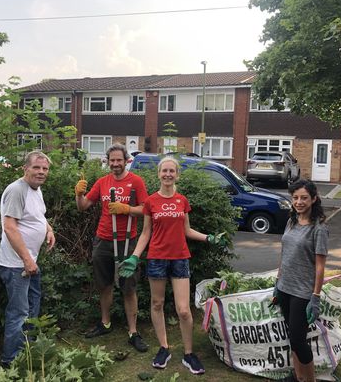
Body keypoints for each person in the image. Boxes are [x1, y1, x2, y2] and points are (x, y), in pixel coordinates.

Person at [119, 156, 227, 375]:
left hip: (180, 258)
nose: (168, 174)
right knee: (157, 304)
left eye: (172, 171)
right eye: (164, 171)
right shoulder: (150, 201)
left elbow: (187, 231)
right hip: (156, 258)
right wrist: (135, 256)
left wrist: (209, 238)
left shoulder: (182, 201)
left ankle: (189, 353)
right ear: (159, 174)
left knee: (184, 310)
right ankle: (164, 348)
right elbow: (146, 232)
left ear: (177, 174)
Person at [75, 143, 149, 352]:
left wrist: (127, 209)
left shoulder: (136, 182)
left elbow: (146, 209)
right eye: (112, 160)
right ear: (108, 161)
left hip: (127, 241)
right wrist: (79, 194)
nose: (115, 164)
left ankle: (133, 332)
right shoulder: (102, 182)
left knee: (129, 287)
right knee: (104, 285)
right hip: (103, 241)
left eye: (119, 160)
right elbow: (83, 207)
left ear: (126, 160)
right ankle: (105, 323)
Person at [0, 151, 56, 367]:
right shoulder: (16, 190)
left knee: (32, 306)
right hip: (16, 265)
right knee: (19, 312)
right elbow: (10, 228)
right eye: (36, 168)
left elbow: (37, 216)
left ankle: (27, 350)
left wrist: (48, 229)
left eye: (45, 169)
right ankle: (10, 361)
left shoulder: (36, 189)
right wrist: (27, 260)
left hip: (29, 262)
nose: (41, 172)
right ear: (26, 169)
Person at [270, 179, 328, 382]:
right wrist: (278, 283)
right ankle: (298, 376)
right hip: (285, 287)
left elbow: (320, 266)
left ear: (313, 199)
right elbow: (284, 254)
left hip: (303, 292)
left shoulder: (318, 229)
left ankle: (309, 380)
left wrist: (315, 296)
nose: (299, 202)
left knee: (298, 339)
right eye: (295, 198)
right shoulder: (291, 221)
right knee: (292, 337)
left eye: (304, 197)